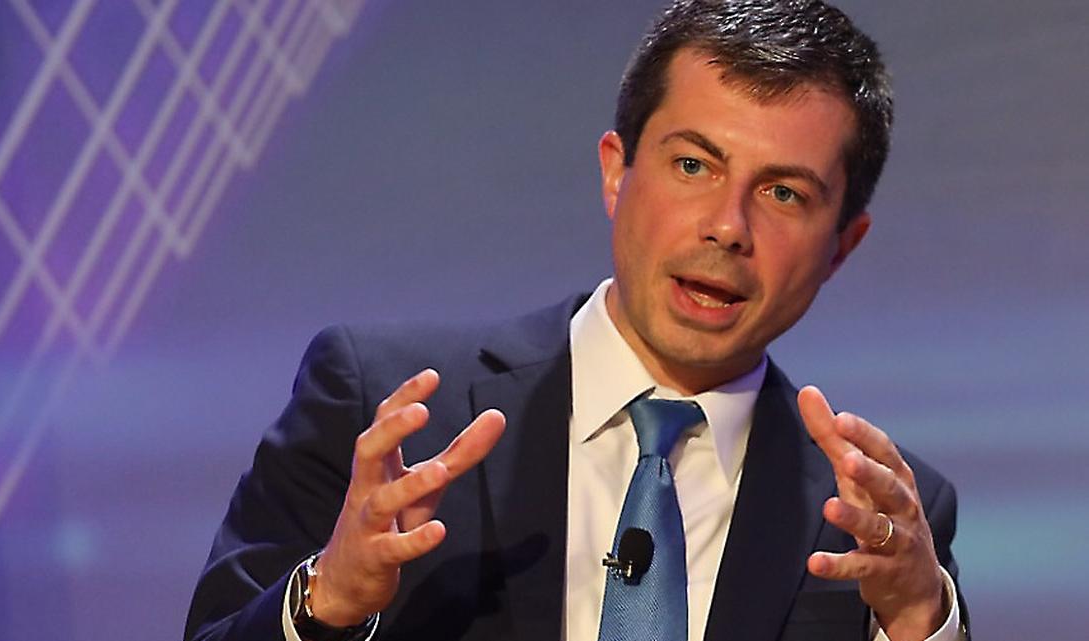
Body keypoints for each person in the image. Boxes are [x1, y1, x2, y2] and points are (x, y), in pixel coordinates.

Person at [184, 1, 968, 640]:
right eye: (693, 164)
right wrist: (325, 601)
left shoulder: (881, 520)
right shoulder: (382, 407)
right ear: (616, 172)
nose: (728, 226)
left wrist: (917, 623)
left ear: (843, 246)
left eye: (784, 193)